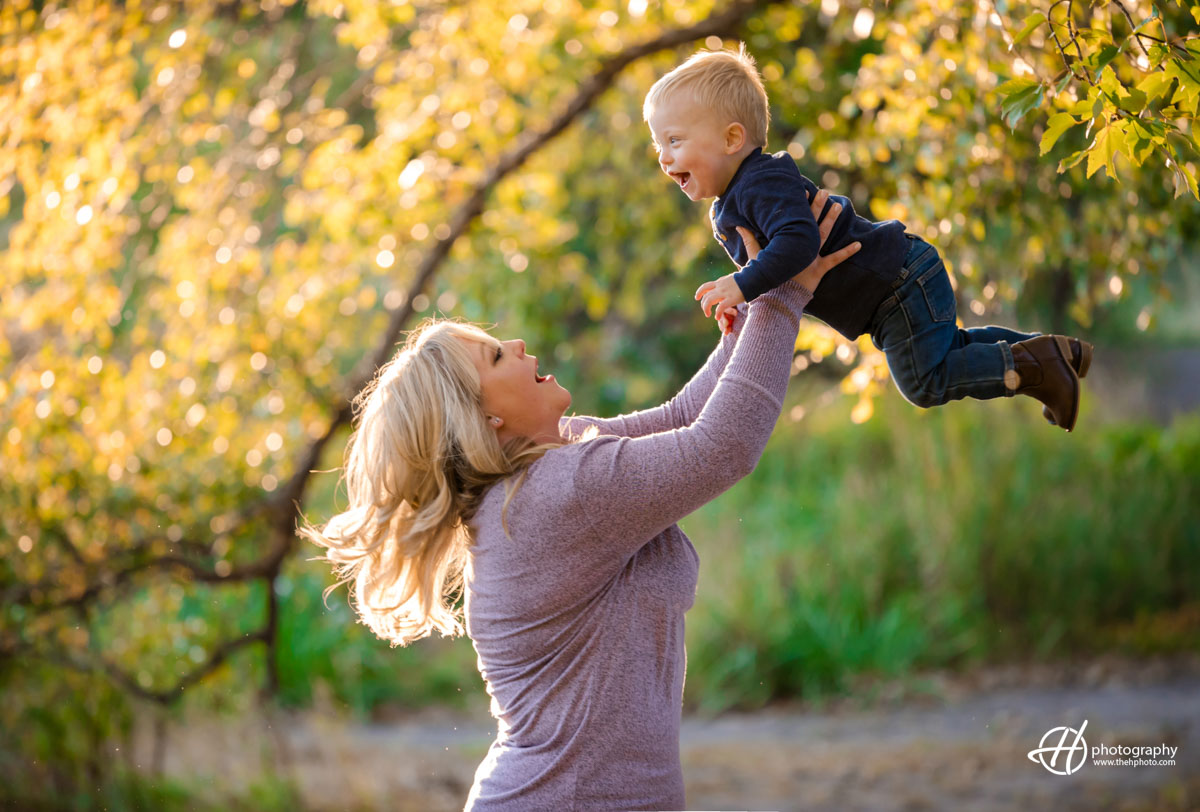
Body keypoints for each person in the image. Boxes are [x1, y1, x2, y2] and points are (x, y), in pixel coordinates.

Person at [299, 192, 860, 810]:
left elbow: (682, 418)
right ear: (484, 418)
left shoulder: (552, 463)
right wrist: (784, 296)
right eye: (494, 356)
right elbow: (721, 448)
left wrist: (758, 293)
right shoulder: (555, 495)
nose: (514, 344)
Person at [643, 44, 1094, 431]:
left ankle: (1039, 368)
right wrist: (744, 301)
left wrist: (742, 284)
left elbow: (797, 244)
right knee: (950, 352)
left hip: (895, 283)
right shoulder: (735, 199)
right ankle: (1057, 355)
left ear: (732, 138)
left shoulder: (759, 181)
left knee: (925, 382)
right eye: (657, 144)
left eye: (674, 141)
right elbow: (779, 266)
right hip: (896, 282)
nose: (663, 158)